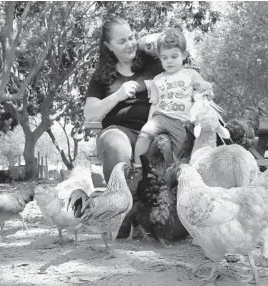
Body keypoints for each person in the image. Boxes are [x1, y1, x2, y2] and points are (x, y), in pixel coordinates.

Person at [83, 15, 164, 184]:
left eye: (131, 37)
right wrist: (117, 96)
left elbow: (175, 44)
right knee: (114, 143)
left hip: (156, 132)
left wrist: (150, 40)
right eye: (122, 41)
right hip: (120, 133)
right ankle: (121, 203)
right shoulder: (101, 76)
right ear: (108, 46)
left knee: (165, 144)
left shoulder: (154, 63)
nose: (129, 45)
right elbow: (90, 115)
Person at [132, 28, 214, 170]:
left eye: (174, 56)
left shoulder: (191, 74)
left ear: (184, 55)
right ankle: (138, 167)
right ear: (159, 58)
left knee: (182, 152)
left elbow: (205, 94)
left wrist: (208, 93)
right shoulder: (157, 80)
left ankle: (178, 175)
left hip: (182, 121)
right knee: (144, 134)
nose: (169, 61)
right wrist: (149, 122)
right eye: (164, 58)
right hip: (160, 118)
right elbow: (154, 104)